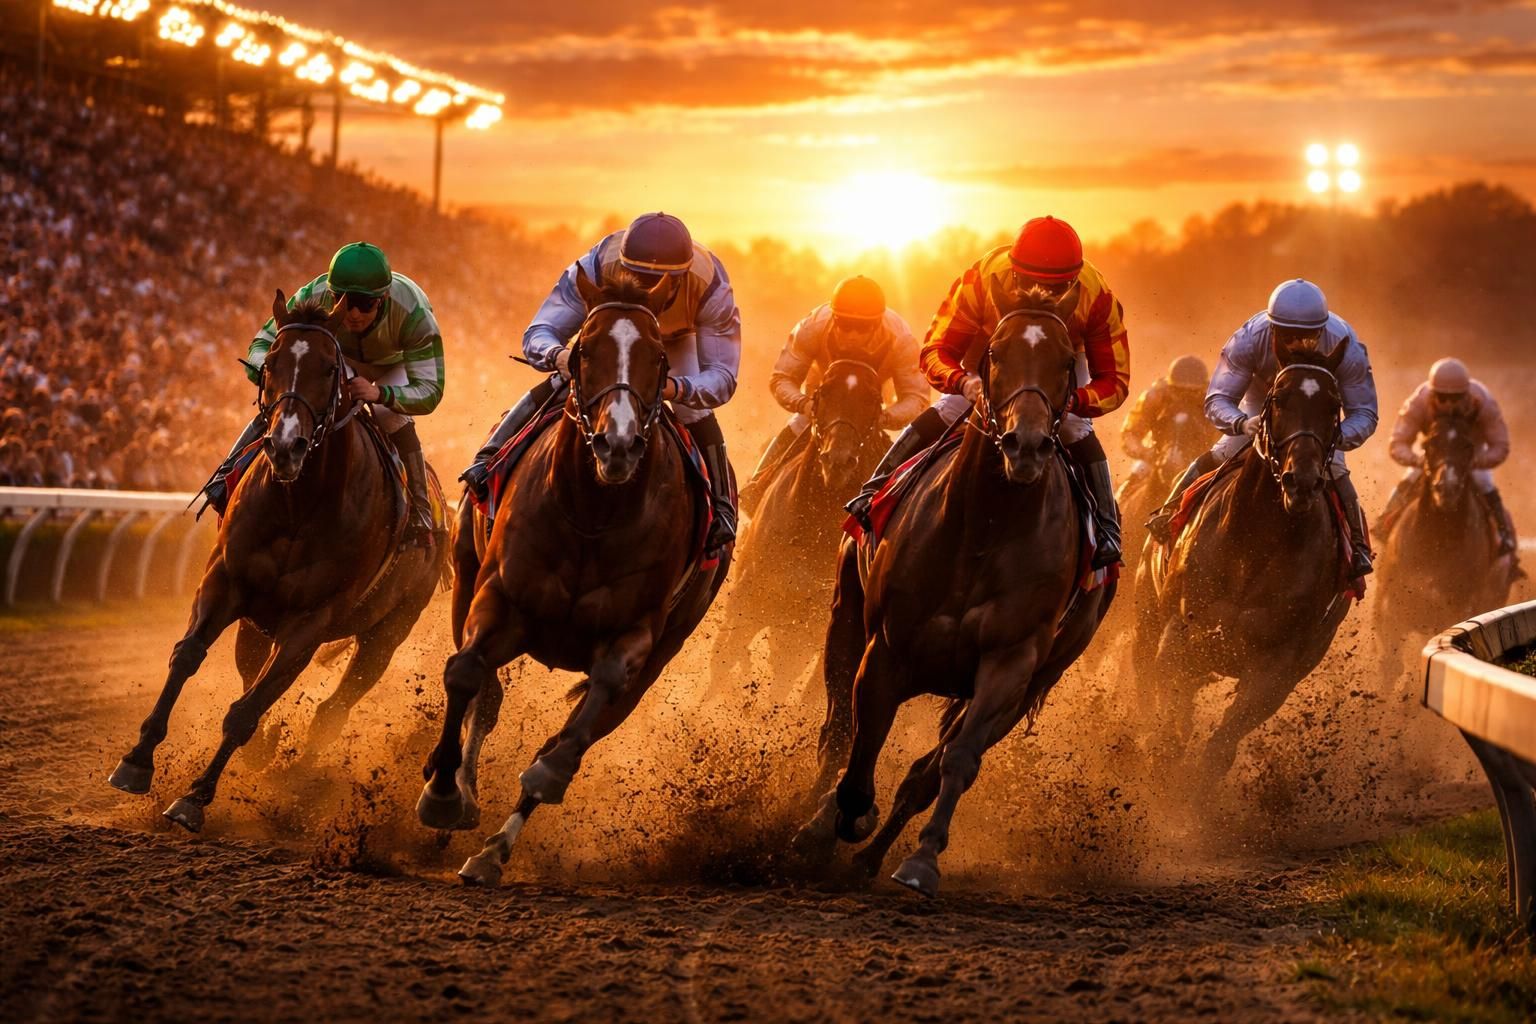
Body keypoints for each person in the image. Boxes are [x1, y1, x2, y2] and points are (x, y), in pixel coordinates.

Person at [845, 216, 1130, 569]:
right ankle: (874, 489)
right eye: (1030, 284)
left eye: (1058, 290)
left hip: (1057, 354)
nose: (1044, 295)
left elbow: (1115, 381)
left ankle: (1106, 527)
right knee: (952, 407)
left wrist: (1072, 401)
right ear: (1012, 274)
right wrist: (963, 381)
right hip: (993, 342)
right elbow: (935, 351)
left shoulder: (1097, 297)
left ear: (1074, 282)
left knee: (1074, 426)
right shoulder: (979, 280)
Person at [459, 212, 742, 553]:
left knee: (689, 409)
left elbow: (723, 378)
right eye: (636, 277)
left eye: (658, 283)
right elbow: (539, 333)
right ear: (622, 266)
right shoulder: (596, 265)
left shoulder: (711, 285)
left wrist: (673, 388)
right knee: (569, 380)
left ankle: (722, 508)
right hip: (613, 325)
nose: (645, 290)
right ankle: (489, 462)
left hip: (677, 340)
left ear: (682, 277)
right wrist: (560, 358)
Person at [203, 242, 444, 543]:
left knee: (389, 415)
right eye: (345, 301)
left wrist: (378, 393)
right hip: (336, 359)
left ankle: (421, 509)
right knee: (292, 400)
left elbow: (431, 390)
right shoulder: (312, 295)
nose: (353, 313)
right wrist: (272, 372)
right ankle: (224, 479)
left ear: (383, 298)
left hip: (393, 368)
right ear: (331, 294)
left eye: (365, 304)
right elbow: (261, 345)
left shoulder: (413, 313)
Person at [1146, 278, 1378, 579]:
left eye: (1307, 336)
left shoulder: (1346, 345)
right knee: (1226, 448)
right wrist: (1241, 422)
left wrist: (1333, 438)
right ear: (1272, 328)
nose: (1297, 344)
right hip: (1263, 397)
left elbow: (1365, 412)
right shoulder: (1249, 338)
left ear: (1322, 330)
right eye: (1288, 336)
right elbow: (1218, 398)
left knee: (1334, 466)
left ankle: (1357, 547)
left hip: (1316, 412)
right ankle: (1171, 511)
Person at [738, 275, 926, 512]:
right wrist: (805, 405)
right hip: (821, 403)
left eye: (863, 327)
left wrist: (885, 418)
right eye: (846, 325)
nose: (853, 334)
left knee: (908, 495)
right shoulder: (813, 326)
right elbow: (782, 378)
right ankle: (757, 489)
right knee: (797, 425)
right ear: (834, 318)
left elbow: (916, 398)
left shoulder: (901, 339)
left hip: (868, 411)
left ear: (878, 323)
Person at [1378, 357, 1520, 566]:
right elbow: (1397, 443)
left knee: (1485, 483)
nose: (1449, 404)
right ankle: (1385, 525)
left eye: (1456, 398)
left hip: (1472, 454)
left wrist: (1476, 461)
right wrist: (1419, 460)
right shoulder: (1419, 401)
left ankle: (1504, 536)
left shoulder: (1484, 401)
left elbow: (1501, 445)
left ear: (1467, 393)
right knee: (1409, 478)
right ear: (1433, 393)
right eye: (1443, 398)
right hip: (1433, 454)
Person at [1118, 355, 1209, 500]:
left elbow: (1222, 437)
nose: (1186, 397)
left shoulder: (1212, 401)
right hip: (1156, 456)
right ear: (1171, 386)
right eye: (1180, 391)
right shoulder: (1156, 397)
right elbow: (1130, 433)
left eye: (1192, 392)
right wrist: (1146, 453)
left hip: (1200, 460)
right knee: (1124, 493)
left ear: (1202, 389)